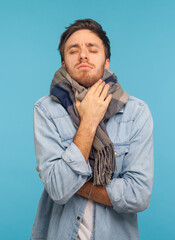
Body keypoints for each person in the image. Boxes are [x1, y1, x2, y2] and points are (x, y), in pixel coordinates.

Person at [30, 19, 154, 240]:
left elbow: (138, 195)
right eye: (73, 50)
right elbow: (58, 191)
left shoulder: (136, 113)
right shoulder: (46, 110)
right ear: (63, 63)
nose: (83, 55)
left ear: (106, 62)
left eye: (92, 49)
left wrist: (77, 185)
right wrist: (89, 121)